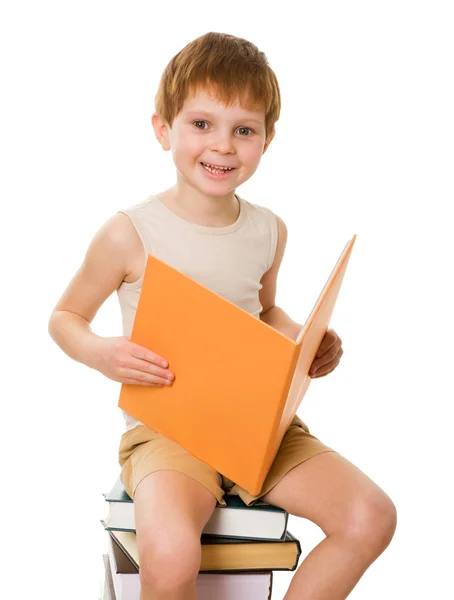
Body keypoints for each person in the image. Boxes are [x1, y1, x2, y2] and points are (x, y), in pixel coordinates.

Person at [48, 31, 396, 600]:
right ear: (163, 129)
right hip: (169, 431)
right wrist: (103, 352)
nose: (224, 146)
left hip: (256, 425)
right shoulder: (129, 232)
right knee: (170, 552)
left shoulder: (268, 229)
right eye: (202, 124)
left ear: (267, 139)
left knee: (371, 516)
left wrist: (307, 341)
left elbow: (263, 310)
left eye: (244, 130)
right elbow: (64, 318)